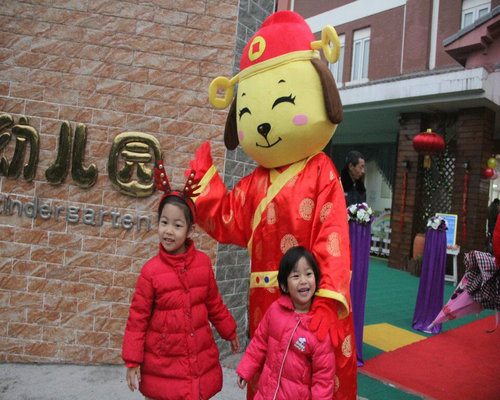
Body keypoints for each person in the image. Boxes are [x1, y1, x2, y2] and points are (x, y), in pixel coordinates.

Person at [122, 163, 240, 400]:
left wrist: (229, 331)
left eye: (177, 225)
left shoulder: (203, 264)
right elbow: (137, 319)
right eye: (164, 222)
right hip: (163, 363)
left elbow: (214, 304)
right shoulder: (150, 272)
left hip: (198, 357)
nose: (168, 231)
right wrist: (132, 361)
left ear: (190, 231)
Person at [236, 246, 335, 400]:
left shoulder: (318, 327)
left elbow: (323, 379)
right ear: (284, 285)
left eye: (308, 274)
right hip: (266, 394)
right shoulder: (275, 311)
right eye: (296, 276)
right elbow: (259, 342)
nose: (303, 281)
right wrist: (245, 370)